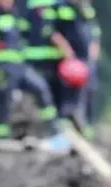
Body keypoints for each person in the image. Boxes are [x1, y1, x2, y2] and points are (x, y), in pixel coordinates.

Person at [0, 0, 66, 151]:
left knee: (41, 88)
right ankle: (0, 137)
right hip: (1, 65)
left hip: (19, 66)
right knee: (5, 100)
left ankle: (53, 132)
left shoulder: (15, 16)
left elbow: (25, 35)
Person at [24, 0, 85, 131]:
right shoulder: (53, 8)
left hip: (50, 61)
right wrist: (68, 51)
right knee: (50, 97)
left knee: (50, 97)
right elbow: (51, 32)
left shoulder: (34, 8)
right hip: (49, 62)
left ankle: (57, 129)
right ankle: (52, 130)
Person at [75, 1, 102, 135]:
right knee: (77, 94)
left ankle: (89, 125)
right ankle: (78, 124)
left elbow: (95, 38)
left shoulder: (90, 14)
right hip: (77, 61)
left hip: (88, 61)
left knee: (90, 91)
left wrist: (91, 59)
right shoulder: (70, 11)